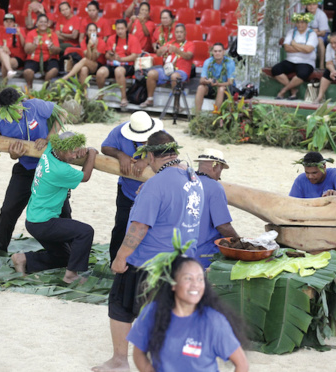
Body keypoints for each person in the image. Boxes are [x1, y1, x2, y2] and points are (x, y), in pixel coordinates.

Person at [92, 131, 203, 372]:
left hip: (147, 262)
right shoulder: (194, 178)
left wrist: (121, 258)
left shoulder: (156, 184)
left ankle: (120, 361)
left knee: (121, 307)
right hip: (183, 261)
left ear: (151, 156)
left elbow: (140, 227)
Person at [127, 254, 248, 371]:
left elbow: (242, 364)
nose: (195, 285)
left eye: (200, 279)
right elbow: (139, 354)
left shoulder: (213, 321)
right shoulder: (152, 312)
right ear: (173, 284)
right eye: (188, 278)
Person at [11, 132, 98, 283]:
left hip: (34, 217)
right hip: (43, 222)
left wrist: (80, 148)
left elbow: (55, 132)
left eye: (77, 151)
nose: (74, 156)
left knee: (65, 258)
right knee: (85, 232)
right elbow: (85, 176)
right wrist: (91, 152)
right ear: (62, 149)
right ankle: (71, 276)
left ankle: (23, 259)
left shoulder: (51, 148)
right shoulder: (60, 170)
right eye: (72, 152)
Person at [0, 87, 66, 253]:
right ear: (5, 111)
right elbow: (11, 154)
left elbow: (62, 114)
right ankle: (0, 249)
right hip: (25, 169)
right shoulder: (4, 125)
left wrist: (49, 138)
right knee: (8, 210)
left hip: (49, 166)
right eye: (13, 110)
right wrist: (13, 154)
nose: (19, 111)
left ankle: (68, 250)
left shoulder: (35, 106)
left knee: (62, 210)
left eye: (20, 106)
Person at [101, 111, 163, 263]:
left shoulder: (162, 136)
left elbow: (169, 157)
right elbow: (105, 148)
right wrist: (121, 155)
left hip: (153, 193)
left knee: (149, 230)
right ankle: (115, 262)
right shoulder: (119, 132)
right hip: (127, 191)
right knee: (121, 227)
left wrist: (147, 159)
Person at [192, 148, 239, 268]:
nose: (219, 175)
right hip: (204, 255)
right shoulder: (215, 187)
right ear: (215, 166)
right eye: (221, 170)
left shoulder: (185, 182)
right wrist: (239, 242)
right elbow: (223, 226)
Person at [141, 24, 194, 108]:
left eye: (181, 32)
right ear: (174, 33)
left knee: (175, 76)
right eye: (177, 32)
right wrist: (161, 50)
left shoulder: (190, 44)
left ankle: (176, 104)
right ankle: (150, 99)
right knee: (151, 73)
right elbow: (158, 54)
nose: (179, 34)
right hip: (166, 70)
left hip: (181, 71)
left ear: (185, 33)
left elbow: (189, 56)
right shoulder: (170, 43)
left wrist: (177, 51)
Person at [271, 12, 318, 101]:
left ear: (307, 23)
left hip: (306, 61)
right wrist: (302, 48)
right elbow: (287, 48)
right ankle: (293, 90)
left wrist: (294, 44)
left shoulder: (312, 34)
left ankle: (283, 91)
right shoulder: (291, 32)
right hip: (290, 60)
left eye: (302, 22)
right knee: (276, 70)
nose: (300, 25)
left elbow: (309, 50)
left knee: (302, 73)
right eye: (298, 22)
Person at [95, 19, 141, 108]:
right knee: (100, 72)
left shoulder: (133, 39)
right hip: (113, 64)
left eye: (122, 29)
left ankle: (124, 98)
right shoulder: (111, 38)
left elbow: (135, 56)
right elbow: (106, 54)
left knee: (118, 71)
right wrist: (110, 56)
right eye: (118, 29)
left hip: (128, 65)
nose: (120, 31)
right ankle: (100, 95)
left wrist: (121, 59)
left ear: (126, 29)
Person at [194, 42, 236, 114]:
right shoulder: (208, 62)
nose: (217, 53)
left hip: (227, 88)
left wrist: (218, 84)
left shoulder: (230, 62)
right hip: (212, 86)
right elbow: (201, 80)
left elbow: (230, 82)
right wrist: (207, 81)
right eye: (215, 51)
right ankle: (196, 116)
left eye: (219, 51)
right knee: (200, 87)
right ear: (212, 52)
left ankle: (215, 116)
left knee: (221, 88)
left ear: (223, 52)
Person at [23, 14, 61, 90]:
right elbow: (26, 50)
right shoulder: (31, 33)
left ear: (48, 24)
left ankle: (44, 89)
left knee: (54, 70)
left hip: (49, 59)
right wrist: (34, 45)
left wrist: (52, 47)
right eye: (41, 22)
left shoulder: (52, 34)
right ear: (36, 23)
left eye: (45, 22)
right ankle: (30, 90)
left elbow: (58, 50)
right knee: (27, 72)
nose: (43, 24)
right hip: (34, 58)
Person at [0, 13, 26, 80]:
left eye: (11, 21)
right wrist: (3, 46)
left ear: (14, 23)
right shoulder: (1, 32)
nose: (9, 23)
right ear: (3, 23)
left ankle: (4, 85)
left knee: (5, 63)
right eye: (6, 21)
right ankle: (10, 70)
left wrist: (20, 34)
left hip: (18, 57)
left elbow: (24, 45)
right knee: (1, 49)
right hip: (6, 55)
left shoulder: (19, 30)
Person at [303, 0, 329, 69]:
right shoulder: (303, 14)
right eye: (309, 5)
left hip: (321, 35)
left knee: (319, 40)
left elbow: (323, 33)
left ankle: (321, 65)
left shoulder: (321, 14)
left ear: (317, 5)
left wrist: (312, 32)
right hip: (308, 34)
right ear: (306, 6)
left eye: (314, 4)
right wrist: (312, 31)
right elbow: (300, 29)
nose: (311, 6)